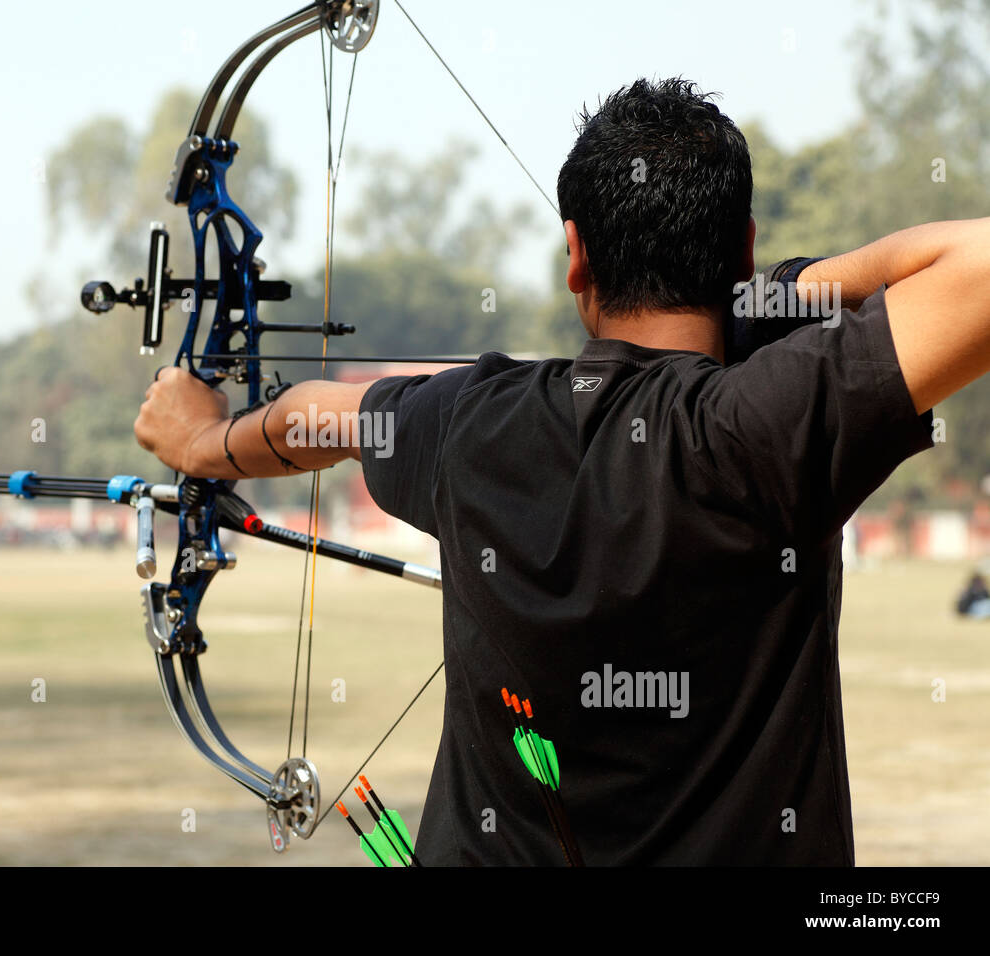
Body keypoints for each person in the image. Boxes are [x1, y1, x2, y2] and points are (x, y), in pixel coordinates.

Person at [135, 78, 990, 865]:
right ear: (742, 252)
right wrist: (768, 297)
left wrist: (201, 442)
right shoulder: (762, 424)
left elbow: (310, 415)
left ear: (575, 255)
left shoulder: (470, 420)